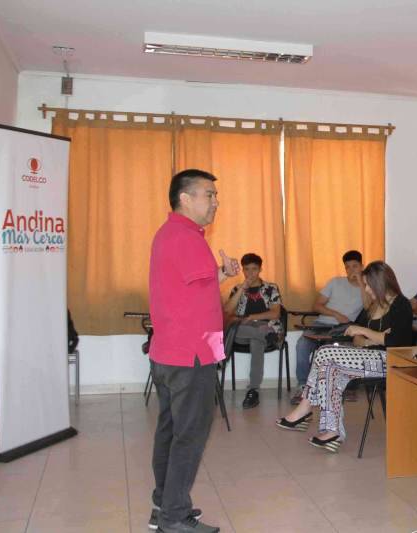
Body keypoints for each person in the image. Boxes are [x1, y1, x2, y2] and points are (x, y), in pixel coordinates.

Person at [148, 169, 237, 533]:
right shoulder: (185, 235)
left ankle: (164, 504)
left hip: (171, 351)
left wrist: (222, 273)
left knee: (170, 431)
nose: (215, 202)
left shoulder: (174, 234)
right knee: (190, 435)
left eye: (216, 195)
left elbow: (196, 286)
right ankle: (174, 518)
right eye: (209, 194)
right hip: (191, 355)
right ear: (185, 198)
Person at [276, 261, 414, 452]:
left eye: (367, 284)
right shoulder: (375, 307)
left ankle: (306, 407)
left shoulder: (402, 305)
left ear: (379, 283)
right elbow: (357, 337)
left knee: (325, 352)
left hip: (389, 361)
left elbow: (395, 341)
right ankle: (333, 431)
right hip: (369, 356)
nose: (365, 289)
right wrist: (371, 338)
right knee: (329, 368)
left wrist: (368, 333)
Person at [293, 250, 366, 397]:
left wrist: (361, 283)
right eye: (348, 267)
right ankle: (303, 385)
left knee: (347, 349)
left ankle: (343, 388)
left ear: (362, 266)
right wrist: (336, 314)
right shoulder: (335, 282)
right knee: (302, 344)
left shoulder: (367, 288)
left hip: (344, 329)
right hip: (322, 324)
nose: (351, 270)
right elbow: (317, 305)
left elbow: (368, 307)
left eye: (355, 266)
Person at [223, 253, 282, 409]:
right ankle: (266, 336)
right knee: (237, 329)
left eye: (254, 269)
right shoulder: (237, 288)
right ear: (242, 270)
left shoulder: (271, 288)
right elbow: (227, 311)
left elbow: (275, 313)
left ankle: (253, 390)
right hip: (243, 330)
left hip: (265, 325)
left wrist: (252, 317)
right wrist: (242, 288)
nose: (250, 273)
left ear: (260, 269)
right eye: (246, 269)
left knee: (257, 342)